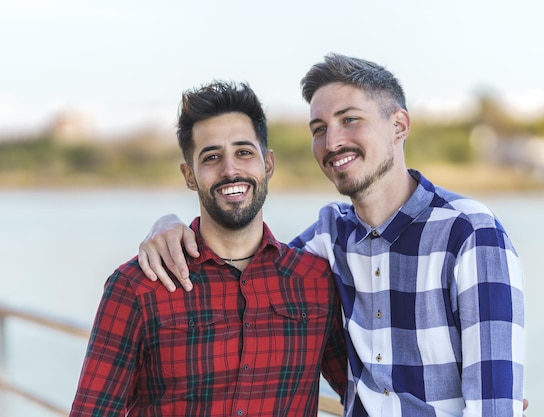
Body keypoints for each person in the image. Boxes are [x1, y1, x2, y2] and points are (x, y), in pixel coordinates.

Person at [139, 54, 526, 417]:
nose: (332, 142)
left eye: (350, 119)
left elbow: (493, 405)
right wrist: (168, 224)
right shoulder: (329, 237)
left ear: (399, 125)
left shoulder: (470, 232)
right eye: (319, 129)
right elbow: (244, 264)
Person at [70, 81, 347, 417]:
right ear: (189, 175)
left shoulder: (315, 281)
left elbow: (363, 389)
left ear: (268, 164)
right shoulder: (137, 287)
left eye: (244, 152)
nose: (230, 170)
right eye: (212, 157)